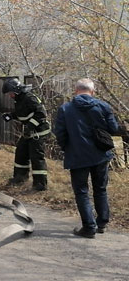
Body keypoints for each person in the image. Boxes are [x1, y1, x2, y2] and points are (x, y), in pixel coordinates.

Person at [53, 78, 119, 238]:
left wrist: (66, 148)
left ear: (75, 91)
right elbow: (114, 129)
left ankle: (89, 227)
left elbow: (59, 133)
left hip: (77, 155)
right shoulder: (103, 106)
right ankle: (102, 223)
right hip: (100, 155)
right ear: (93, 92)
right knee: (100, 189)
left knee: (82, 192)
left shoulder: (65, 109)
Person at [2, 78, 50, 191]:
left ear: (17, 90)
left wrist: (30, 126)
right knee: (21, 152)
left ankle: (40, 185)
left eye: (11, 93)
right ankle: (20, 178)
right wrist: (11, 116)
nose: (10, 96)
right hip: (29, 132)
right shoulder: (19, 99)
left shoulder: (29, 98)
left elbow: (41, 114)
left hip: (39, 132)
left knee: (36, 157)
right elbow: (23, 113)